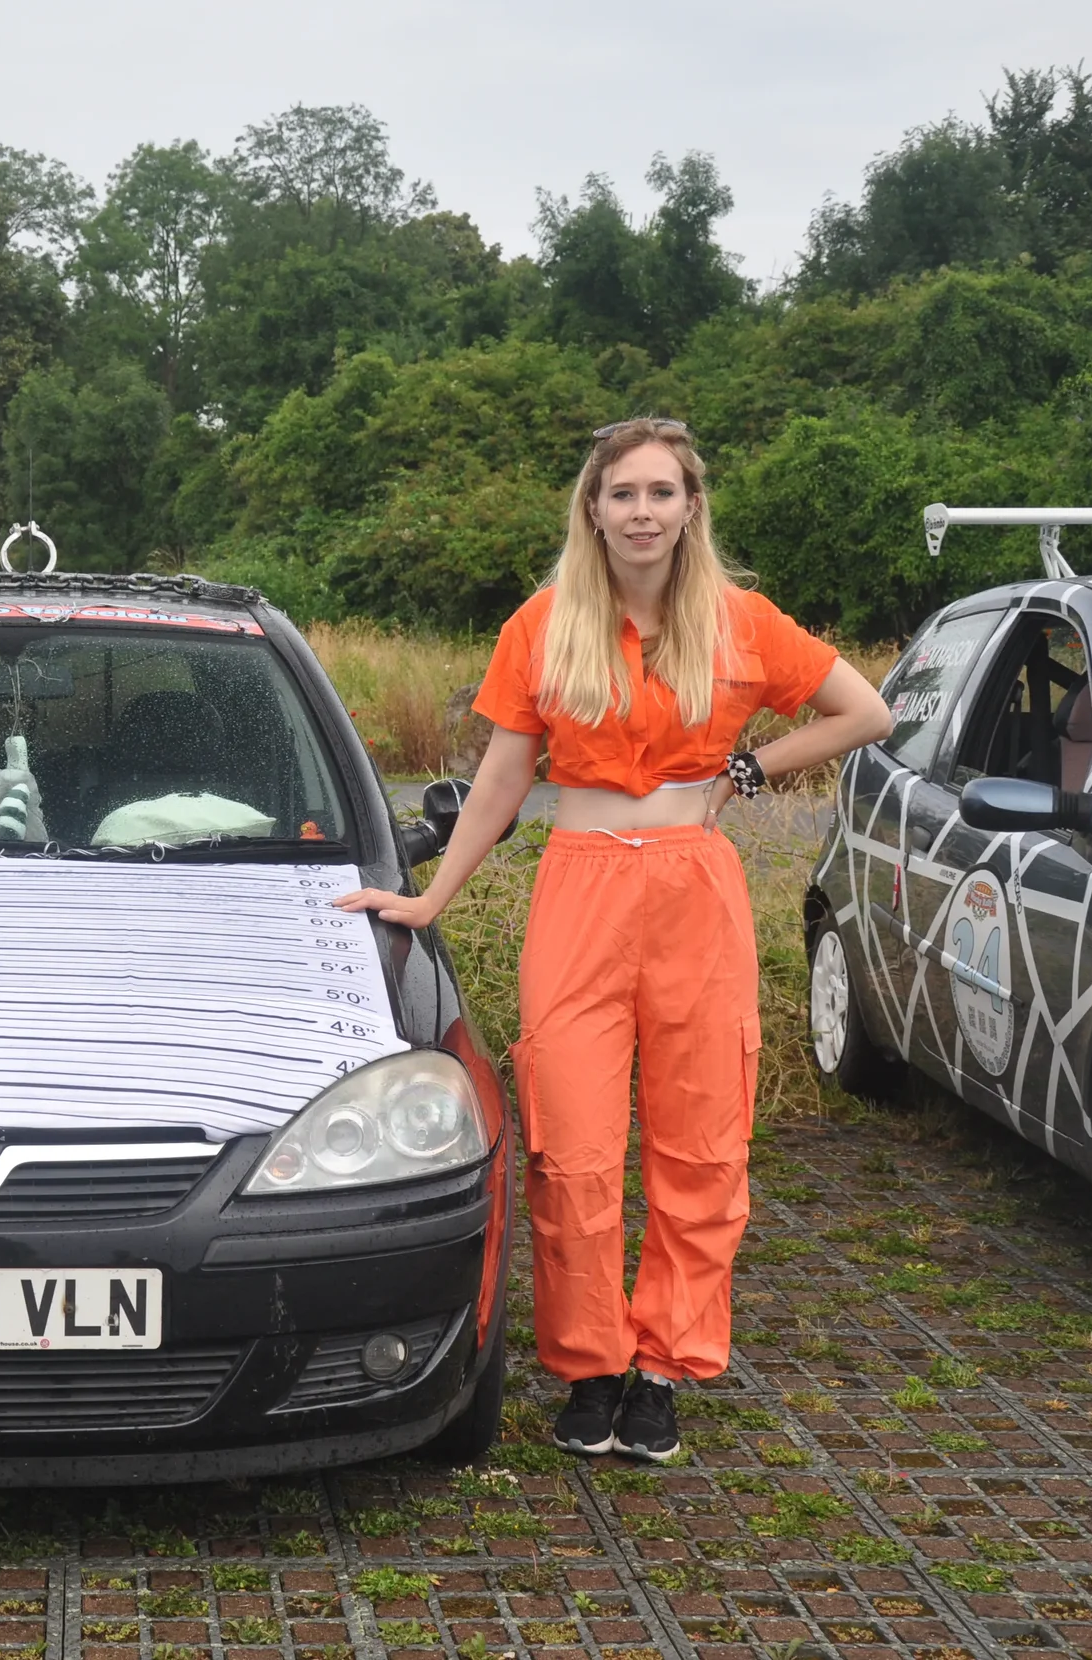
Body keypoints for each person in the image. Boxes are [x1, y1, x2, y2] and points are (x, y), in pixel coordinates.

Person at [338, 418, 891, 1462]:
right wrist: (430, 898)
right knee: (573, 1145)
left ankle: (663, 1368)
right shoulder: (545, 626)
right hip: (579, 891)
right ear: (591, 508)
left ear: (690, 508)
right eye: (622, 493)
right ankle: (589, 1364)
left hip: (694, 890)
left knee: (700, 1141)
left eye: (661, 493)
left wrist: (749, 772)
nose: (641, 511)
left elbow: (864, 711)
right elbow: (503, 777)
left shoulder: (740, 624)